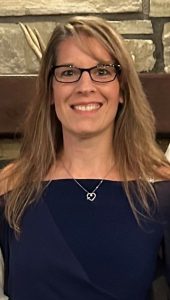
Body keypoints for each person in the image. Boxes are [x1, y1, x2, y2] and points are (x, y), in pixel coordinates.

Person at [0, 15, 170, 300]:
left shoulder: (161, 190)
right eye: (68, 72)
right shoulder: (10, 189)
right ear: (50, 91)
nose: (85, 86)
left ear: (122, 90)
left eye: (102, 71)